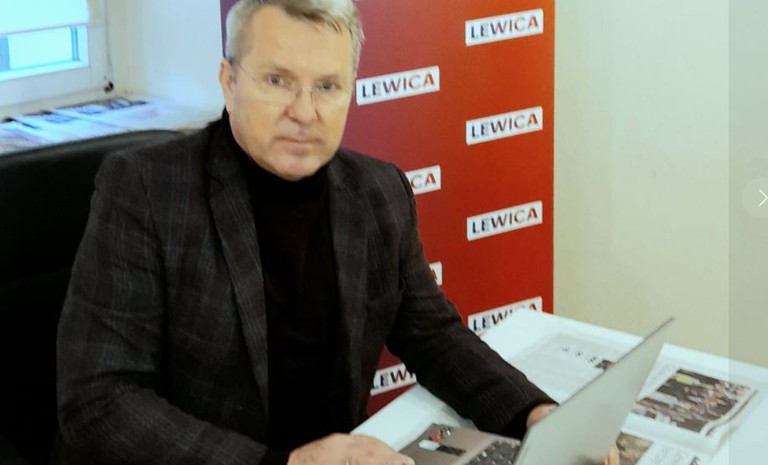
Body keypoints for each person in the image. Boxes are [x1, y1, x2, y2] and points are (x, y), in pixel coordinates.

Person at [56, 1, 617, 464]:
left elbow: (434, 336)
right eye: (277, 80)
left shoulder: (378, 191)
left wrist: (533, 414)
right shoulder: (146, 190)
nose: (305, 112)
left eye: (327, 86)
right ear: (229, 81)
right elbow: (98, 399)